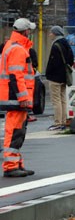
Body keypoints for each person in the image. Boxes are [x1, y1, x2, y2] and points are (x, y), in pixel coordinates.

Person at [0, 18, 37, 177]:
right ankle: (10, 166)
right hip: (16, 97)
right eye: (30, 30)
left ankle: (16, 162)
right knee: (14, 131)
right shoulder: (18, 49)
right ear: (26, 31)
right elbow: (17, 76)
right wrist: (24, 99)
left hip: (13, 96)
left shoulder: (13, 46)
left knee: (17, 131)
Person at [45, 25, 74, 131]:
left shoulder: (56, 45)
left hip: (55, 77)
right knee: (63, 99)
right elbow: (71, 59)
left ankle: (57, 122)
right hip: (64, 76)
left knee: (56, 100)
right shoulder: (66, 43)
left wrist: (48, 73)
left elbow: (53, 62)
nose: (50, 35)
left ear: (55, 33)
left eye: (51, 33)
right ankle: (63, 121)